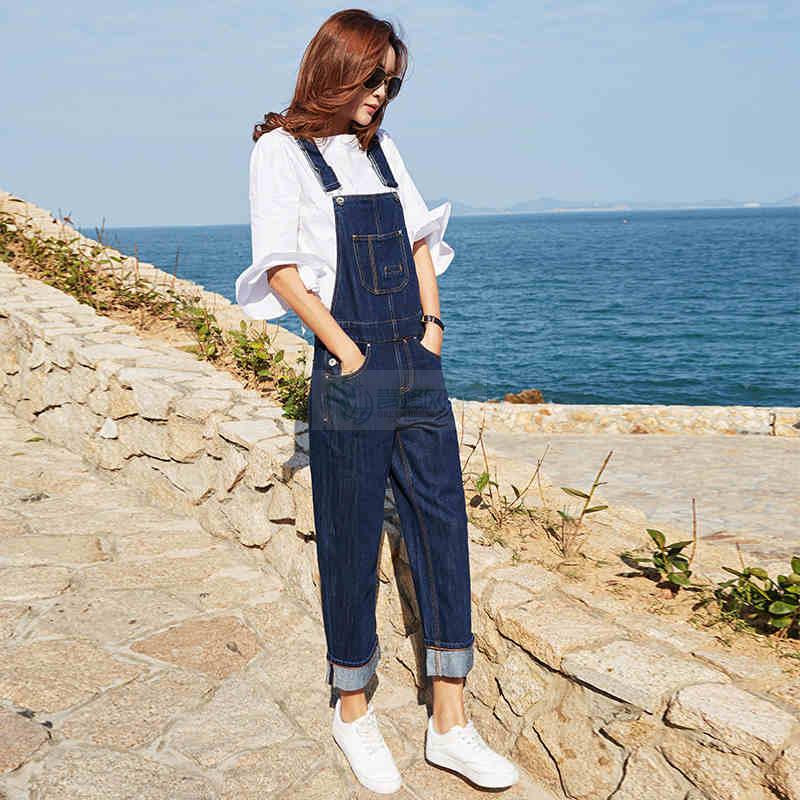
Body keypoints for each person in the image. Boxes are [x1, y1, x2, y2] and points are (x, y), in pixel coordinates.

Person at [236, 9, 520, 795]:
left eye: (391, 83)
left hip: (416, 365)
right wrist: (349, 350)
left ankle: (450, 724)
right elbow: (281, 270)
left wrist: (433, 329)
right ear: (335, 68)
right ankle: (353, 710)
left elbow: (421, 240)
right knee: (351, 537)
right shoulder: (279, 152)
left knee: (443, 528)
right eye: (372, 78)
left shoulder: (381, 149)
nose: (381, 95)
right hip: (351, 365)